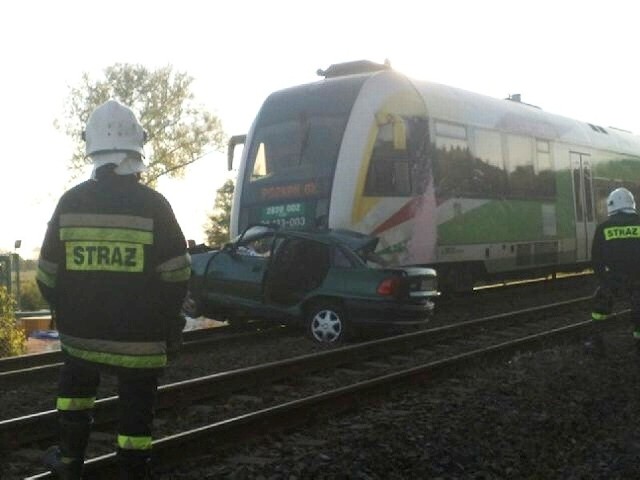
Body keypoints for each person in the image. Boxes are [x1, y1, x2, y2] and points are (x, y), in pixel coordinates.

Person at [36, 99, 191, 479]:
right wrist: (164, 318)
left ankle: (70, 461)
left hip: (80, 338)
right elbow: (177, 275)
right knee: (136, 407)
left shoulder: (70, 202)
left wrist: (70, 309)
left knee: (75, 392)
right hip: (140, 342)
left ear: (91, 148)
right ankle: (132, 469)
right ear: (138, 149)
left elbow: (46, 274)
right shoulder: (155, 206)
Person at [591, 187, 640, 344]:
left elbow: (596, 260)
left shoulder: (603, 228)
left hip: (613, 278)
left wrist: (605, 281)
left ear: (611, 206)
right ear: (631, 204)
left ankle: (597, 340)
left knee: (600, 306)